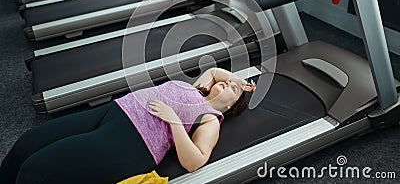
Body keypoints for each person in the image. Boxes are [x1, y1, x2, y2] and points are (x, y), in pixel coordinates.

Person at [0, 68, 255, 184]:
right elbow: (215, 71)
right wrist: (240, 82)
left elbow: (195, 161)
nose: (226, 85)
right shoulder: (197, 88)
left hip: (133, 142)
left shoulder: (211, 118)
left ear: (232, 106)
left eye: (232, 90)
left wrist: (174, 121)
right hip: (115, 111)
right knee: (25, 144)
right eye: (227, 82)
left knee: (35, 171)